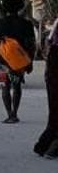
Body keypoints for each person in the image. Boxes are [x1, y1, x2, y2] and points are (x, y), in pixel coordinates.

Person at [0, 0, 38, 123]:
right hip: (18, 61)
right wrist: (30, 61)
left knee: (4, 86)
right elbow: (31, 44)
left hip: (2, 60)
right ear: (20, 7)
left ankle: (9, 114)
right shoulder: (26, 24)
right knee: (17, 86)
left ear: (5, 8)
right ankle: (15, 113)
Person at [36, 13, 58, 158]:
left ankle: (45, 145)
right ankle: (52, 147)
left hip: (53, 68)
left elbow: (47, 45)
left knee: (55, 109)